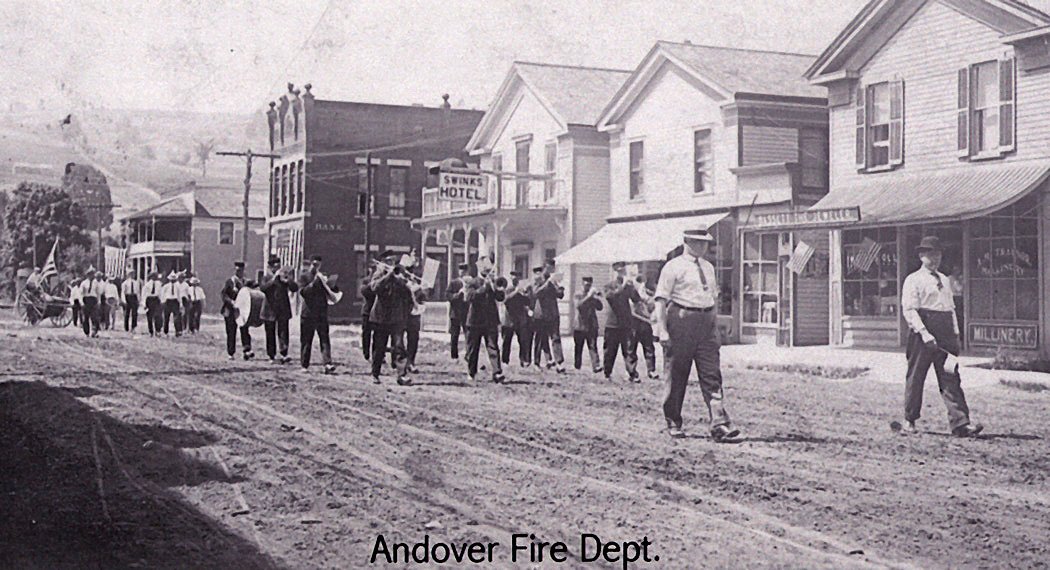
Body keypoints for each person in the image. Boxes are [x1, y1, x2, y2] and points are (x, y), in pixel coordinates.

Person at [654, 228, 740, 441]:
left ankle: (719, 423)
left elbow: (712, 298)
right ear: (686, 242)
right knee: (677, 374)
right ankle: (673, 422)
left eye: (705, 243)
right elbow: (661, 300)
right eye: (697, 242)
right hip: (681, 321)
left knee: (712, 374)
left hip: (706, 324)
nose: (703, 247)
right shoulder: (673, 267)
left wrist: (716, 325)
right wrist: (662, 330)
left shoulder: (709, 267)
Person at [898, 236, 983, 438]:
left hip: (945, 333)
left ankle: (960, 423)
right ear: (921, 256)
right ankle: (909, 420)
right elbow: (909, 310)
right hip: (923, 332)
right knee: (916, 376)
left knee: (951, 376)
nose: (934, 258)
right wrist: (924, 333)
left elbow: (951, 309)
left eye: (937, 254)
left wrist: (955, 334)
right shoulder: (913, 280)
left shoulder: (945, 279)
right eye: (929, 254)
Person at [369, 250, 413, 384]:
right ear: (382, 262)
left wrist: (405, 281)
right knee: (379, 347)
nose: (392, 264)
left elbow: (407, 295)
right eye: (388, 261)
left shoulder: (399, 277)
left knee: (399, 347)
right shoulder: (378, 274)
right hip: (380, 317)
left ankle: (401, 375)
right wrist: (389, 275)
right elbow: (375, 288)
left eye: (393, 261)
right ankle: (375, 374)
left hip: (396, 318)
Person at [463, 260, 506, 383]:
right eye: (485, 269)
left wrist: (496, 288)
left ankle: (497, 372)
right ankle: (471, 372)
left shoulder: (493, 282)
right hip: (475, 321)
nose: (487, 271)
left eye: (489, 269)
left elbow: (500, 298)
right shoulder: (472, 282)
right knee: (473, 349)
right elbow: (470, 297)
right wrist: (484, 287)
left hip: (490, 320)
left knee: (493, 347)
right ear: (479, 269)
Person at [603, 262, 640, 382]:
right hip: (612, 323)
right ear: (615, 272)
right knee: (610, 350)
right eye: (619, 271)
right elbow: (610, 297)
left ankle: (632, 373)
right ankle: (607, 373)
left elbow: (636, 299)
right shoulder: (609, 285)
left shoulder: (628, 285)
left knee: (629, 350)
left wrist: (633, 286)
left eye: (623, 271)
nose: (622, 273)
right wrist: (623, 286)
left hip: (626, 323)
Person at [298, 255, 336, 374]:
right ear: (310, 264)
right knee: (306, 340)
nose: (316, 267)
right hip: (308, 313)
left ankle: (327, 363)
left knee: (324, 339)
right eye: (314, 264)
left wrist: (330, 284)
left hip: (321, 313)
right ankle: (304, 365)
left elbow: (332, 292)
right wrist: (315, 282)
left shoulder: (322, 276)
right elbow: (303, 292)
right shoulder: (304, 277)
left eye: (318, 265)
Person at [260, 255, 299, 364]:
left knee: (283, 332)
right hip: (269, 309)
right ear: (271, 267)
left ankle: (284, 354)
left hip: (282, 309)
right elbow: (263, 288)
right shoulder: (266, 277)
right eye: (276, 267)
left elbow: (295, 288)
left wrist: (289, 280)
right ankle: (271, 355)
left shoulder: (283, 278)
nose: (278, 269)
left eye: (279, 267)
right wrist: (274, 279)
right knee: (270, 333)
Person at [532, 259, 566, 373]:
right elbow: (536, 293)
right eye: (550, 268)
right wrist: (548, 283)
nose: (551, 270)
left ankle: (559, 363)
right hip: (541, 314)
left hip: (553, 313)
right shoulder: (538, 279)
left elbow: (560, 295)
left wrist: (559, 286)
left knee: (556, 338)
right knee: (539, 339)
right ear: (545, 268)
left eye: (553, 268)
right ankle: (536, 362)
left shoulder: (553, 280)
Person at [221, 261, 253, 360]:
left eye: (240, 270)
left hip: (242, 311)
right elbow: (223, 295)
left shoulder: (246, 282)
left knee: (244, 329)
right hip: (230, 310)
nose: (238, 272)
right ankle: (231, 353)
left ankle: (246, 350)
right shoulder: (230, 282)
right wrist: (231, 302)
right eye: (237, 270)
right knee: (231, 331)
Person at [631, 275, 660, 380]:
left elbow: (653, 311)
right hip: (634, 324)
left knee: (649, 348)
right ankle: (631, 371)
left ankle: (651, 370)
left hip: (645, 326)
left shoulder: (651, 300)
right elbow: (633, 312)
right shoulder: (634, 296)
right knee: (631, 349)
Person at [501, 272, 533, 368]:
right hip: (509, 320)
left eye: (517, 278)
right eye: (513, 277)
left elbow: (527, 302)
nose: (515, 279)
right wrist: (516, 291)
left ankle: (523, 360)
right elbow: (506, 300)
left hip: (520, 319)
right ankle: (505, 361)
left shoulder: (522, 290)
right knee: (506, 341)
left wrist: (525, 293)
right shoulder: (508, 289)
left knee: (523, 341)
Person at [573, 276, 604, 373]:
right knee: (579, 346)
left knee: (593, 346)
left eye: (589, 285)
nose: (587, 286)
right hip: (580, 324)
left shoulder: (592, 296)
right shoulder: (578, 294)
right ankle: (577, 366)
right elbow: (578, 306)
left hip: (591, 325)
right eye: (586, 284)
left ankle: (596, 366)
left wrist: (596, 298)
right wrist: (588, 297)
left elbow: (600, 307)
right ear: (582, 284)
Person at [446, 262, 471, 361]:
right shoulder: (454, 283)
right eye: (461, 270)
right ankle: (454, 355)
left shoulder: (470, 283)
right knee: (454, 335)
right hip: (455, 312)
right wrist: (458, 294)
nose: (462, 272)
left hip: (466, 312)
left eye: (464, 271)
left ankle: (468, 354)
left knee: (468, 335)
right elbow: (448, 296)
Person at [79, 268, 103, 338]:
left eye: (92, 274)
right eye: (90, 274)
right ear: (87, 275)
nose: (91, 276)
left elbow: (98, 293)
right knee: (85, 318)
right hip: (86, 300)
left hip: (93, 300)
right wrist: (82, 302)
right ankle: (87, 332)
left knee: (95, 317)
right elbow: (81, 293)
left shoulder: (96, 283)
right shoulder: (84, 283)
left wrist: (99, 302)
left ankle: (94, 331)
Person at [360, 265, 377, 361]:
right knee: (366, 333)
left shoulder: (381, 281)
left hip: (377, 312)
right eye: (373, 270)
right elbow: (365, 292)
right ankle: (366, 353)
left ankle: (377, 354)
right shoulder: (366, 281)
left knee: (377, 335)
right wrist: (373, 282)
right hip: (367, 311)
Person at [161, 271, 184, 337]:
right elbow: (163, 294)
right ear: (169, 279)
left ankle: (178, 331)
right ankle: (166, 332)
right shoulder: (166, 286)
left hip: (175, 301)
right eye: (171, 279)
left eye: (174, 279)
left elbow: (180, 295)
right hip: (168, 301)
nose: (173, 280)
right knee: (166, 317)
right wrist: (163, 302)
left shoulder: (178, 286)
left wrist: (181, 304)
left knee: (177, 317)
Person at [142, 271, 163, 337]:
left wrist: (161, 301)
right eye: (153, 276)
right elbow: (144, 295)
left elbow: (160, 293)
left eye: (155, 276)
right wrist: (144, 304)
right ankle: (151, 331)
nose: (154, 278)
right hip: (149, 300)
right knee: (150, 317)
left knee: (158, 316)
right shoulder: (147, 285)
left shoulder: (159, 284)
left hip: (156, 300)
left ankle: (158, 330)